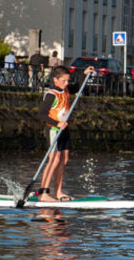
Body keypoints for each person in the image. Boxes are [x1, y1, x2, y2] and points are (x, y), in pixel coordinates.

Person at [36, 65, 94, 201]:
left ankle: (58, 192)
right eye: (64, 81)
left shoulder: (66, 89)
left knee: (64, 160)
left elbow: (76, 87)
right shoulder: (51, 95)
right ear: (55, 80)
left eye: (67, 81)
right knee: (54, 160)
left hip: (64, 130)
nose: (66, 83)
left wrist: (84, 74)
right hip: (53, 129)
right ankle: (44, 193)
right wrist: (57, 123)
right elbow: (41, 114)